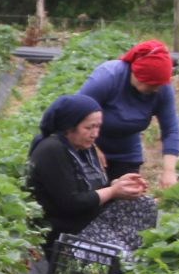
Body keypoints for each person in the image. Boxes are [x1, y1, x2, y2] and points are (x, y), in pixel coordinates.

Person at [26, 93, 157, 254]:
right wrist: (112, 191)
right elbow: (71, 203)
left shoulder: (83, 147)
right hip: (69, 231)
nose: (95, 134)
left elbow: (93, 189)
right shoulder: (52, 150)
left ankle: (135, 255)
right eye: (88, 128)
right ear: (69, 126)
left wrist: (117, 185)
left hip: (91, 220)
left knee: (145, 204)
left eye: (98, 127)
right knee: (120, 256)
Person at [77, 40, 179, 187]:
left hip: (126, 152)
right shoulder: (108, 77)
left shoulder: (162, 89)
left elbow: (171, 130)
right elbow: (75, 114)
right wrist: (91, 149)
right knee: (91, 195)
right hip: (85, 147)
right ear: (138, 74)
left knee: (126, 194)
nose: (157, 89)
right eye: (152, 84)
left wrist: (169, 171)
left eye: (160, 85)